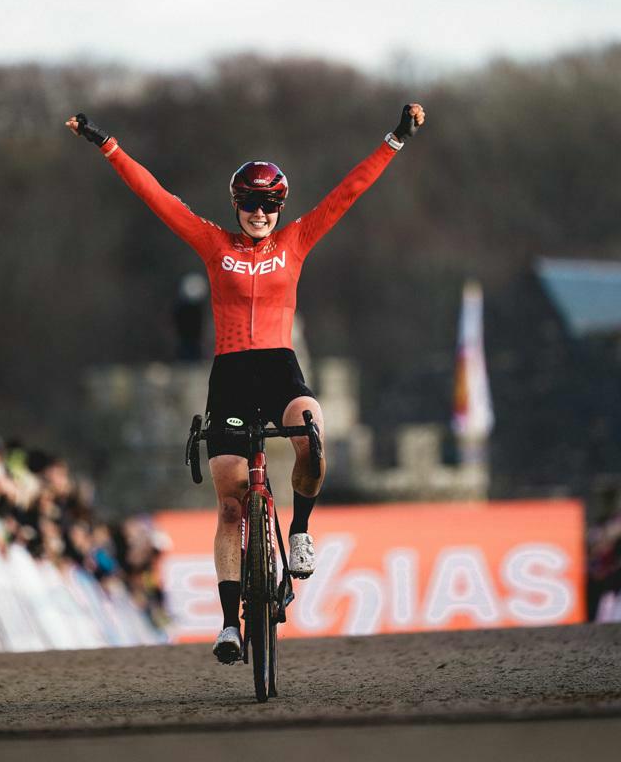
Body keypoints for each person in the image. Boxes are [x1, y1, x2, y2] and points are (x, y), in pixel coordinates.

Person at [67, 102, 426, 663]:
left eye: (270, 205)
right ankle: (230, 623)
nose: (260, 214)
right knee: (232, 504)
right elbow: (155, 197)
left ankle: (300, 530)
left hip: (279, 367)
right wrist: (106, 143)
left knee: (311, 432)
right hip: (231, 374)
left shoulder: (297, 240)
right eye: (251, 204)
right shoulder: (215, 244)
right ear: (236, 204)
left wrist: (396, 138)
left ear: (281, 207)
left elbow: (349, 192)